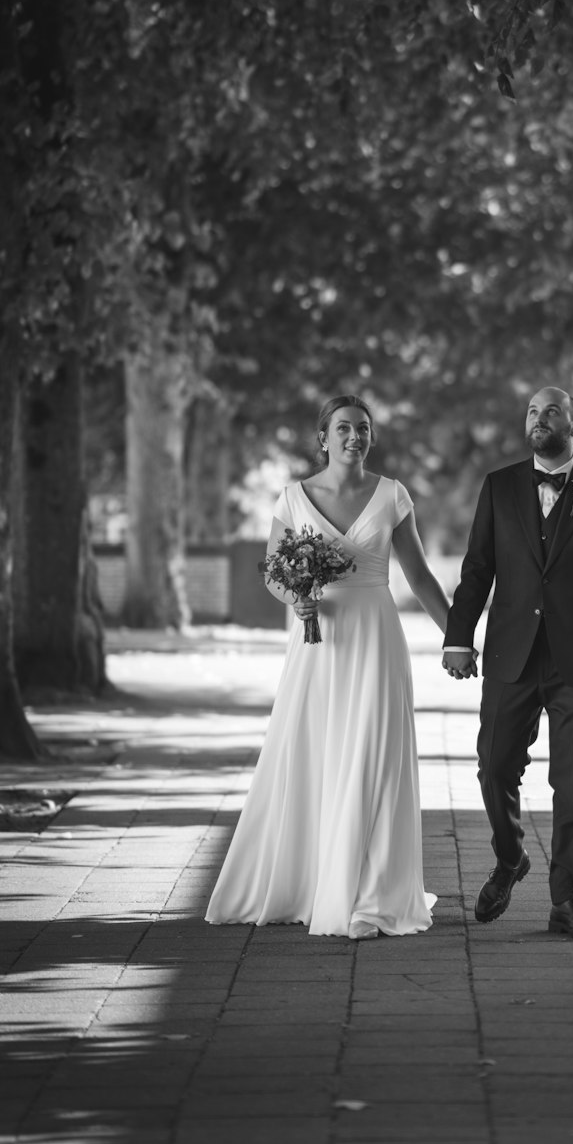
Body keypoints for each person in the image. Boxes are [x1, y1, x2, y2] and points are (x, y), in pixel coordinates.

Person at [206, 395, 451, 939]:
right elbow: (274, 573)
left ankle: (373, 898)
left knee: (375, 756)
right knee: (316, 753)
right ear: (323, 437)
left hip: (375, 637)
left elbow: (419, 575)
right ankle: (313, 881)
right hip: (317, 644)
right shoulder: (293, 498)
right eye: (343, 428)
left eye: (363, 428)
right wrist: (296, 599)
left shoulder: (392, 495)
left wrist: (458, 637)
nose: (353, 437)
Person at [442, 386, 573, 940]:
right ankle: (510, 860)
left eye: (552, 410)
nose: (539, 417)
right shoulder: (499, 487)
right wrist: (459, 636)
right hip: (512, 652)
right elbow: (478, 568)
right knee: (494, 766)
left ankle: (567, 901)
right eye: (532, 410)